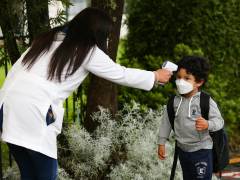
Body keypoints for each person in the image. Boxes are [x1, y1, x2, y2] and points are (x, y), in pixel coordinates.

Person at [0, 7, 172, 180]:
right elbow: (120, 73)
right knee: (46, 175)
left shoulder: (46, 39)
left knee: (29, 174)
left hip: (7, 108)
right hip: (34, 112)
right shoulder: (86, 51)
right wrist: (155, 76)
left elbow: (14, 73)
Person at [157, 56, 224, 180]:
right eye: (179, 77)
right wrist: (161, 142)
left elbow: (219, 122)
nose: (181, 81)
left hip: (202, 150)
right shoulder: (174, 102)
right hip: (183, 151)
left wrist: (208, 124)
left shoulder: (205, 101)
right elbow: (166, 123)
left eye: (187, 78)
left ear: (199, 82)